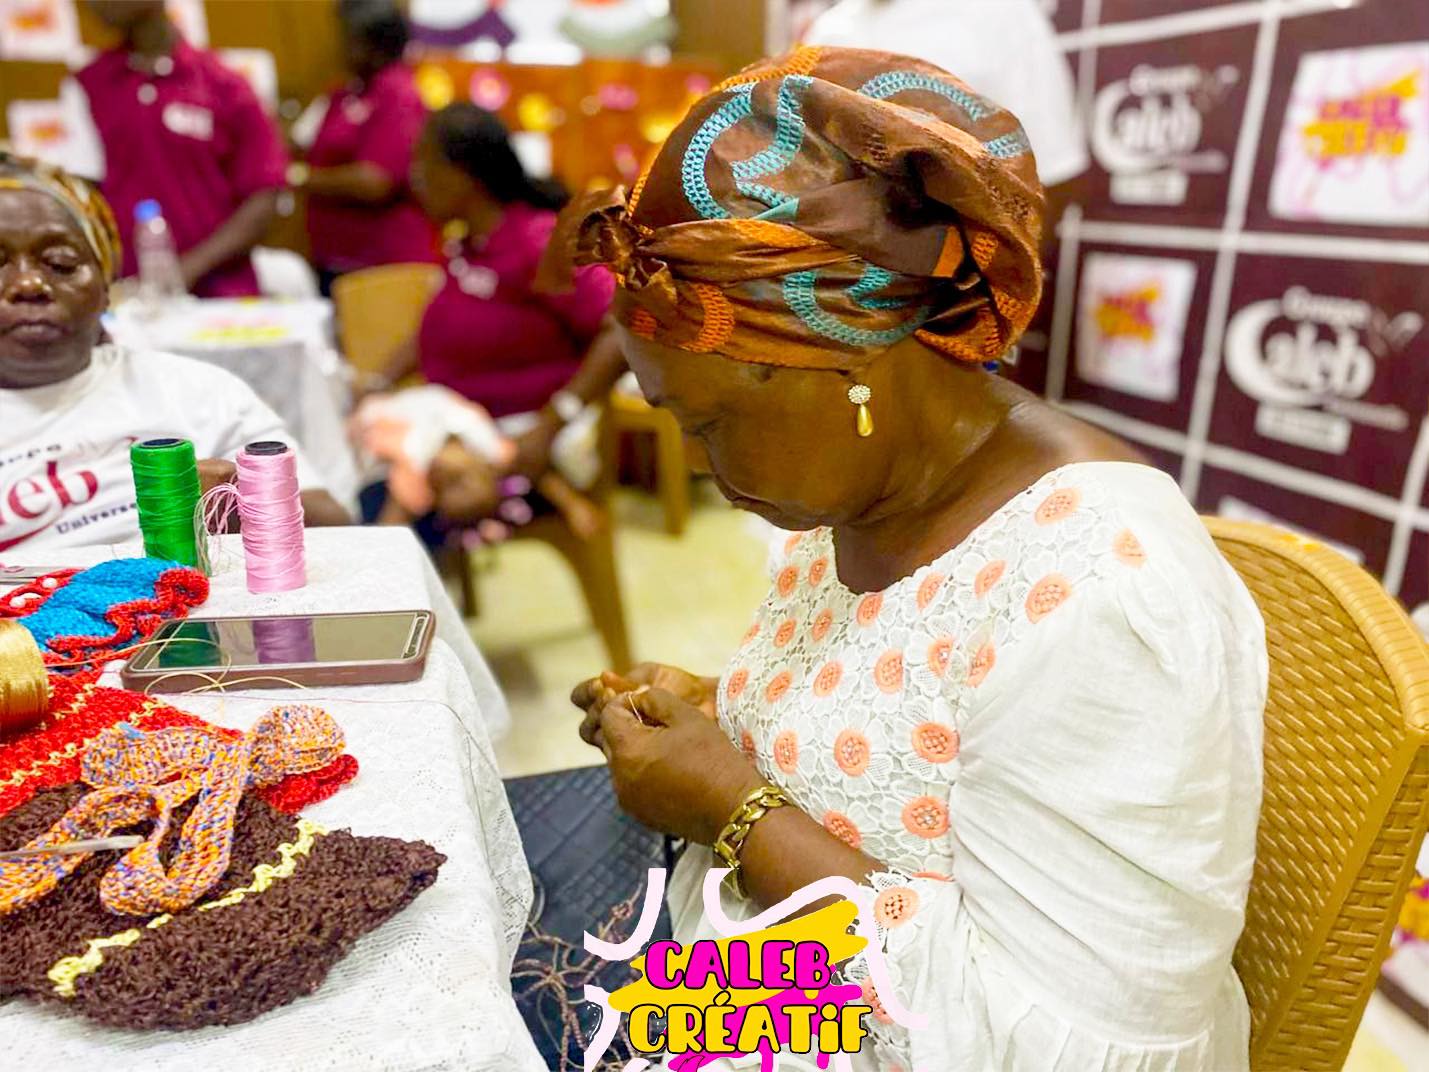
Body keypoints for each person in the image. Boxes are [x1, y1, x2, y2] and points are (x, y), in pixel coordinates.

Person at [559, 48, 1264, 1070]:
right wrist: (725, 716)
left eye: (709, 425)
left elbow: (1058, 1045)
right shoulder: (862, 489)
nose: (703, 467)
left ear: (851, 356)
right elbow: (914, 730)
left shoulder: (1101, 594)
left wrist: (733, 808)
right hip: (767, 987)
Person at [0, 155, 348, 553]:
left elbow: (336, 528)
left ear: (105, 287)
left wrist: (239, 503)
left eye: (60, 264)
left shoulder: (195, 390)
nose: (29, 283)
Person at [368, 103, 626, 485]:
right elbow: (435, 334)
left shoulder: (539, 242)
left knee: (384, 493)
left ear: (466, 175)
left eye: (426, 164)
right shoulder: (467, 244)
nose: (415, 178)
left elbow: (621, 327)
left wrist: (552, 423)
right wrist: (377, 383)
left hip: (520, 437)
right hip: (458, 424)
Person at [56, 0, 288, 297]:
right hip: (130, 296)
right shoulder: (90, 83)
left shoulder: (226, 86)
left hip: (222, 297)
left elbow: (264, 195)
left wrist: (189, 268)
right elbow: (81, 193)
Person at [804, 0, 1088, 192]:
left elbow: (1053, 173)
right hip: (844, 259)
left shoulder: (999, 13)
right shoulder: (828, 30)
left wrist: (992, 266)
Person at [291, 0, 437, 294]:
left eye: (347, 37)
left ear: (373, 42)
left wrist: (300, 177)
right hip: (336, 260)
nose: (339, 47)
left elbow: (375, 182)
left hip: (384, 266)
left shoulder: (398, 94)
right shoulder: (347, 93)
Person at [350, 384, 603, 540]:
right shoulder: (490, 448)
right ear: (489, 469)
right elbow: (539, 475)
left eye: (442, 486)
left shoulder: (414, 468)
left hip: (368, 423)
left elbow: (389, 531)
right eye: (458, 478)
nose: (442, 472)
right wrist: (574, 506)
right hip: (414, 397)